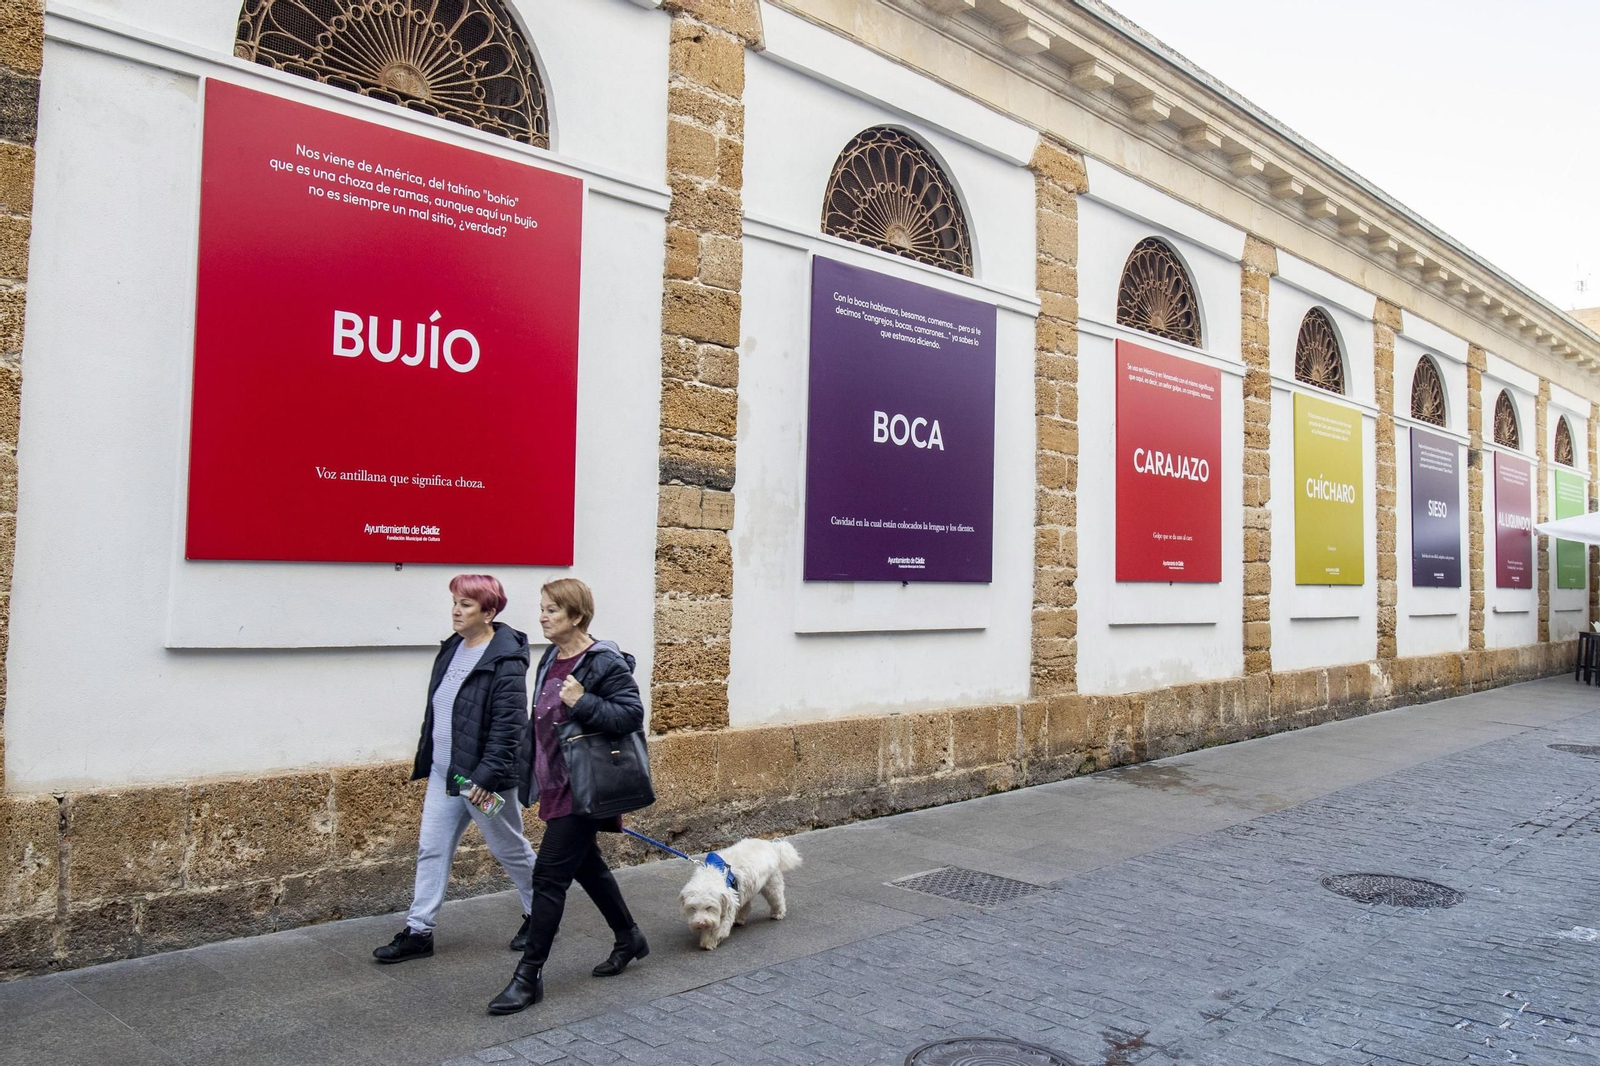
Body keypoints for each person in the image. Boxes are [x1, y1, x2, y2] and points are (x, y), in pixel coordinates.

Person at [487, 577, 648, 1015]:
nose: (542, 616)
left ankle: (528, 975)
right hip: (556, 782)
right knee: (588, 868)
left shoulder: (602, 662)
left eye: (552, 610)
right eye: (542, 608)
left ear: (576, 616)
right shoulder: (551, 657)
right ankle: (629, 936)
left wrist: (582, 702)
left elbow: (631, 715)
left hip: (583, 786)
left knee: (548, 878)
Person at [373, 574, 539, 964]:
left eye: (465, 604)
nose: (455, 610)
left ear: (489, 612)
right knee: (432, 849)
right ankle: (418, 931)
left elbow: (509, 726)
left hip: (482, 782)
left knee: (509, 848)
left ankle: (541, 913)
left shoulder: (506, 659)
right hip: (446, 774)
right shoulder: (453, 648)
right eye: (454, 602)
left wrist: (485, 778)